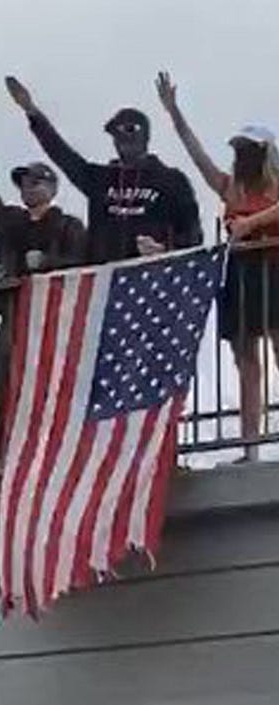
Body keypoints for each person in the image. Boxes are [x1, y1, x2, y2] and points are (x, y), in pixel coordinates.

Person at [0, 105, 87, 484]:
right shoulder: (8, 222)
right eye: (24, 183)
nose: (29, 188)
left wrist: (48, 262)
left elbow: (85, 265)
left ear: (53, 189)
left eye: (37, 182)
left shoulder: (69, 226)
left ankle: (51, 470)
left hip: (52, 322)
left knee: (50, 394)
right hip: (14, 317)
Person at [157, 71, 279, 463]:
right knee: (246, 362)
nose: (242, 154)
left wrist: (251, 224)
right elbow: (197, 157)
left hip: (274, 272)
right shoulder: (230, 187)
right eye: (240, 148)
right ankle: (250, 446)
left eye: (249, 149)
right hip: (240, 276)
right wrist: (175, 114)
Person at [5, 75, 202, 263]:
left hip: (153, 281)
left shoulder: (172, 180)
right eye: (116, 133)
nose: (123, 139)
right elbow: (62, 154)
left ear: (145, 135)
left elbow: (193, 236)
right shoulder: (99, 179)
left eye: (130, 130)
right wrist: (31, 111)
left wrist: (164, 249)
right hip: (104, 284)